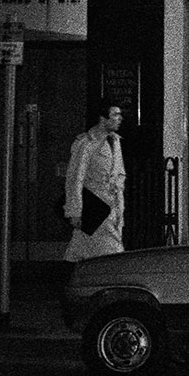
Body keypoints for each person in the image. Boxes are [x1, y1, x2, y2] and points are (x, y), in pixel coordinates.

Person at [64, 102, 126, 264]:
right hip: (95, 206)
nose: (120, 118)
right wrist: (75, 211)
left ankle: (70, 278)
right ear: (102, 119)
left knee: (80, 251)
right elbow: (75, 178)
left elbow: (118, 174)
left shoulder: (115, 142)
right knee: (112, 252)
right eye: (115, 115)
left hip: (110, 205)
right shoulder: (85, 144)